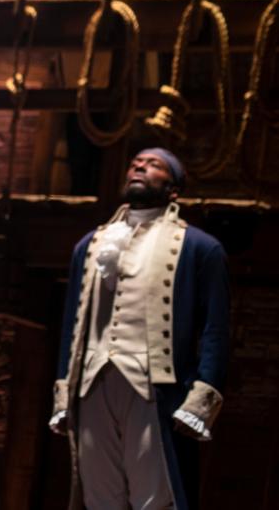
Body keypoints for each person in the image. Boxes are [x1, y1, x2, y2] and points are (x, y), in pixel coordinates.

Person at [50, 148, 230, 509]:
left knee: (155, 497)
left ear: (173, 188)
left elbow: (215, 328)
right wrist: (64, 389)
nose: (140, 166)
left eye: (154, 164)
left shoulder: (199, 247)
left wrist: (201, 394)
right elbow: (72, 322)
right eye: (135, 162)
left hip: (153, 386)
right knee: (101, 496)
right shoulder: (89, 245)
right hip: (91, 384)